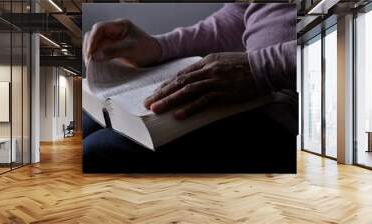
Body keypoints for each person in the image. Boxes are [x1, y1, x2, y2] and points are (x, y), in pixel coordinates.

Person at [82, 3, 297, 173]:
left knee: (96, 151)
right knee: (88, 123)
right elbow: (240, 14)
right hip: (258, 95)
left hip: (290, 115)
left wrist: (261, 67)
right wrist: (158, 47)